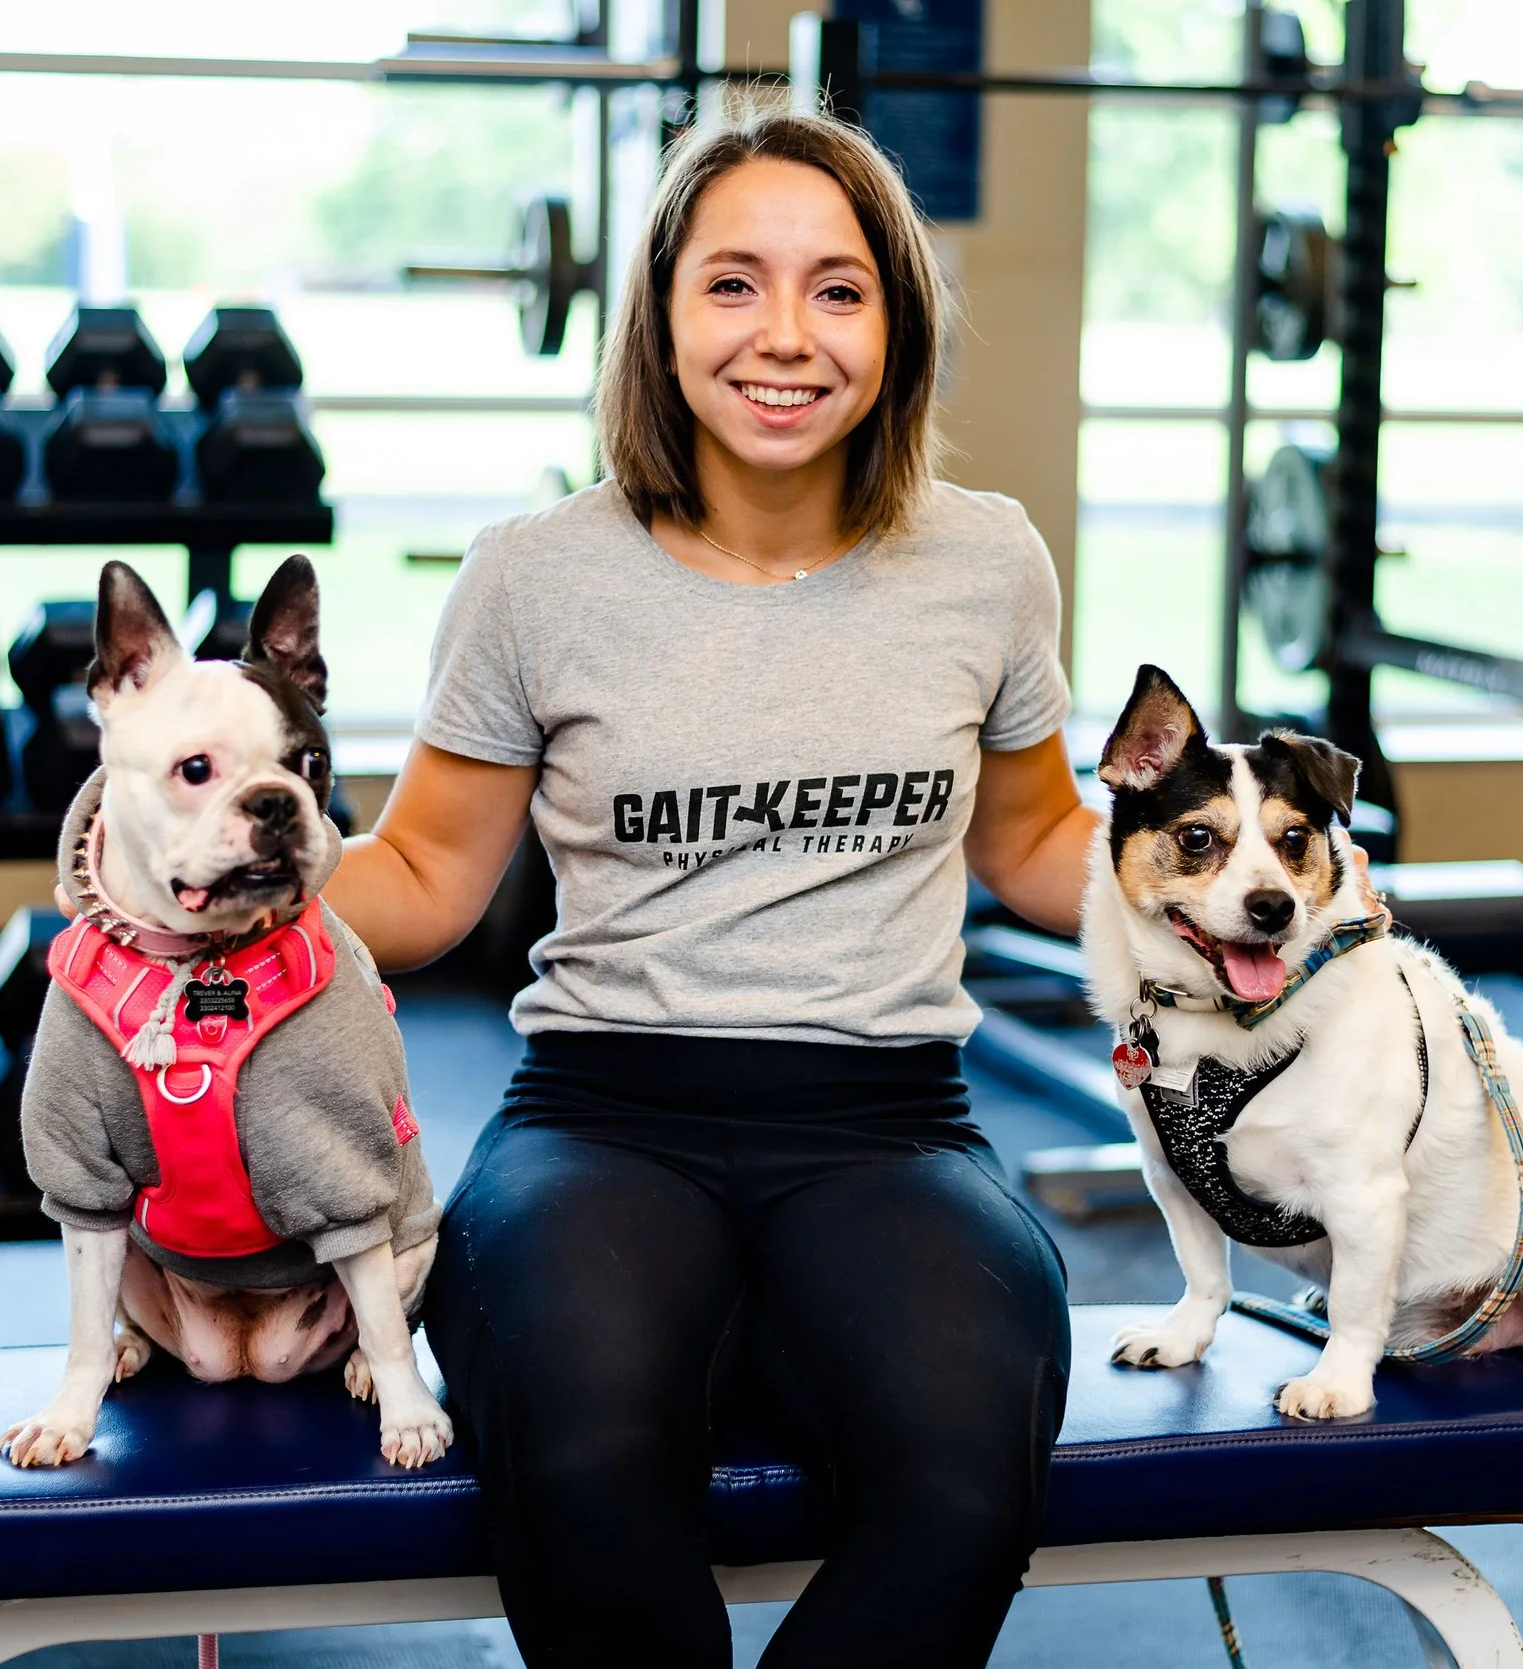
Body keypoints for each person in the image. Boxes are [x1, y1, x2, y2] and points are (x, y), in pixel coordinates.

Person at [324, 108, 1101, 1668]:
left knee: (964, 1470)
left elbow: (1032, 841)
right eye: (735, 285)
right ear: (663, 316)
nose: (786, 337)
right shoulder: (537, 574)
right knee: (583, 1461)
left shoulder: (986, 562)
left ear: (896, 322)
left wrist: (1271, 893)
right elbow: (420, 876)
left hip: (887, 1121)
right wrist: (195, 875)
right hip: (607, 1117)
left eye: (838, 289)